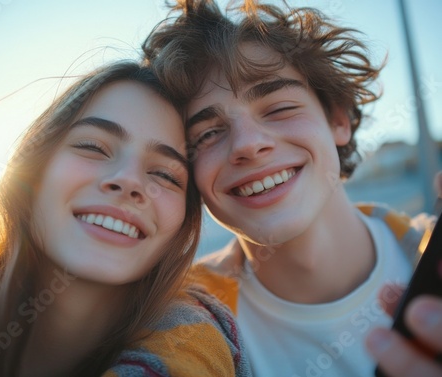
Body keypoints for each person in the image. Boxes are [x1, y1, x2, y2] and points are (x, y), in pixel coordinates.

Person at [141, 0, 442, 376]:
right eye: (207, 133)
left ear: (337, 119)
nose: (247, 145)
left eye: (278, 108)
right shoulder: (177, 324)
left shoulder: (432, 255)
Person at [0, 61, 251, 376]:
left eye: (164, 174)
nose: (128, 181)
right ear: (33, 172)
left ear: (182, 226)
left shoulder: (195, 348)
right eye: (93, 147)